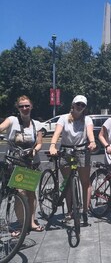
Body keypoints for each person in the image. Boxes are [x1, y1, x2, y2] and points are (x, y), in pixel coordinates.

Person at [49, 95, 96, 226]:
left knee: (85, 182)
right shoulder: (63, 118)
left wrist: (92, 142)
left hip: (81, 151)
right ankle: (70, 211)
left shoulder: (87, 119)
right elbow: (57, 133)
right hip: (66, 151)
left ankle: (85, 211)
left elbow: (90, 133)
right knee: (68, 182)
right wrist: (52, 145)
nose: (80, 107)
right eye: (78, 104)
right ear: (73, 104)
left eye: (83, 105)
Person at [0, 95, 44, 233]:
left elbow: (40, 143)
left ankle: (31, 222)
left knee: (31, 193)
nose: (24, 108)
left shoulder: (37, 124)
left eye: (27, 106)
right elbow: (1, 128)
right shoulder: (12, 120)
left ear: (31, 106)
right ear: (17, 108)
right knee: (20, 193)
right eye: (21, 106)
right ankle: (21, 223)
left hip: (31, 163)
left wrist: (34, 151)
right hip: (15, 164)